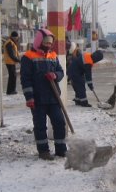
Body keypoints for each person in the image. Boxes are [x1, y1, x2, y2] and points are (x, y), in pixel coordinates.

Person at [20, 29, 67, 160]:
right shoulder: (28, 57)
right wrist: (29, 98)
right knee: (40, 126)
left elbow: (61, 71)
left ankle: (61, 150)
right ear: (39, 41)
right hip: (38, 99)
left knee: (59, 122)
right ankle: (43, 151)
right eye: (46, 42)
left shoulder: (53, 55)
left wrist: (55, 75)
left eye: (50, 43)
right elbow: (25, 79)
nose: (48, 45)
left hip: (53, 97)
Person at [67, 43, 103, 107]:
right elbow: (88, 75)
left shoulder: (87, 55)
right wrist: (90, 85)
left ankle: (77, 100)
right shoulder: (88, 62)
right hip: (75, 73)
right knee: (81, 87)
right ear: (97, 59)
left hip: (72, 71)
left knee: (77, 86)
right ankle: (84, 102)